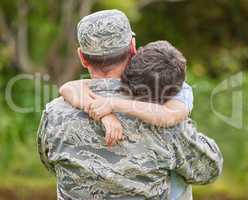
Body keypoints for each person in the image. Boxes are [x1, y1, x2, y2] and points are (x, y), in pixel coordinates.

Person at [37, 10, 223, 200]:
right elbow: (208, 170)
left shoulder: (54, 113)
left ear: (82, 58)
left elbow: (50, 164)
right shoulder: (156, 112)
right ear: (133, 48)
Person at [59, 40, 192, 146]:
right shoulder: (139, 74)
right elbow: (68, 87)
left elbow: (169, 116)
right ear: (133, 51)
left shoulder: (181, 90)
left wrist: (112, 104)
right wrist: (105, 115)